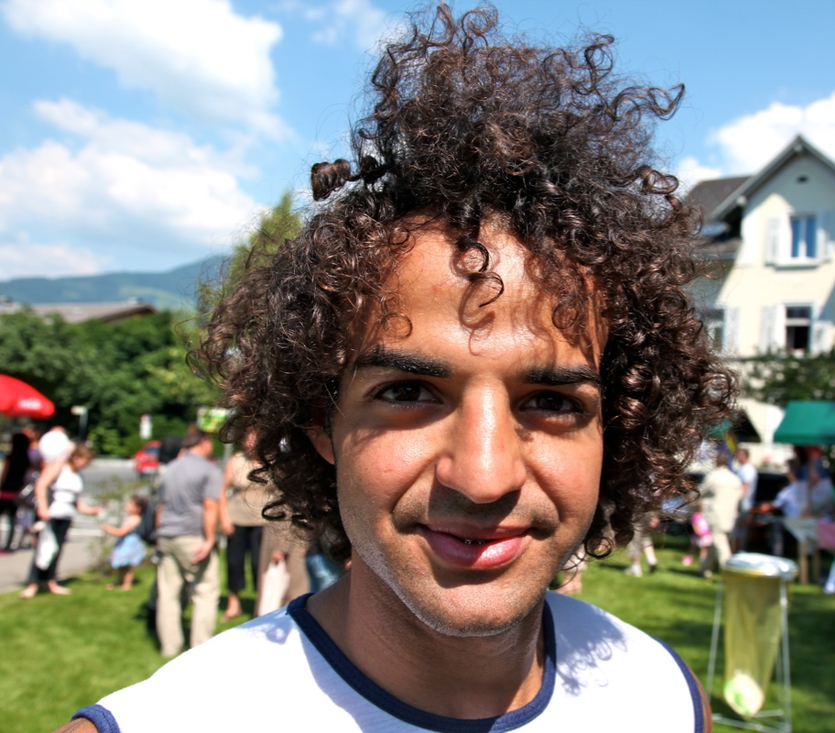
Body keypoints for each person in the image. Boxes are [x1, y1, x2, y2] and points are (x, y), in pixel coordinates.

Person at [61, 6, 733, 731]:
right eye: (409, 391)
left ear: (617, 427)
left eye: (551, 401)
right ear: (321, 420)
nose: (484, 477)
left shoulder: (663, 697)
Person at [153, 426, 221, 657]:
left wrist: (159, 535)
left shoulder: (169, 469)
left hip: (167, 535)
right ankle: (200, 650)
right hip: (193, 537)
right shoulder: (209, 470)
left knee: (168, 594)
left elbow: (160, 507)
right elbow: (210, 507)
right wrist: (210, 540)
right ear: (203, 441)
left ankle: (169, 647)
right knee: (205, 592)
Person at [21, 443, 101, 599]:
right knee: (43, 549)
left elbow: (75, 501)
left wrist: (91, 510)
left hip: (66, 515)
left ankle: (50, 581)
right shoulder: (59, 467)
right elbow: (41, 484)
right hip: (50, 514)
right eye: (85, 460)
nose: (85, 464)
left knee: (57, 549)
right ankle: (33, 584)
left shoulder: (77, 475)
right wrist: (43, 508)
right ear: (76, 457)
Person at [219, 436, 272, 620]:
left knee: (259, 563)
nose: (250, 442)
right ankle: (233, 602)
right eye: (247, 438)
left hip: (263, 520)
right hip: (237, 518)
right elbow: (222, 490)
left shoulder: (271, 460)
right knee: (234, 561)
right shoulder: (236, 460)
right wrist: (224, 518)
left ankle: (261, 603)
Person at [699, 451, 744, 577]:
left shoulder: (713, 477)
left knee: (721, 546)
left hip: (716, 516)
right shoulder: (735, 479)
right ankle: (704, 569)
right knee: (716, 544)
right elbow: (740, 498)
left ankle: (729, 573)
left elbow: (700, 492)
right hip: (730, 517)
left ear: (716, 462)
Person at [101, 494, 148, 591]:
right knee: (121, 565)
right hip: (124, 545)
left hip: (129, 546)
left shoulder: (135, 519)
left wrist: (108, 529)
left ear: (138, 508)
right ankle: (120, 581)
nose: (127, 505)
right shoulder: (130, 517)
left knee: (127, 567)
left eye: (130, 504)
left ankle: (127, 585)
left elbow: (122, 532)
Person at [0, 431, 32, 552]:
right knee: (12, 519)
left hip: (5, 490)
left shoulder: (10, 457)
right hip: (17, 491)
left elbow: (4, 473)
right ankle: (8, 545)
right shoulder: (26, 459)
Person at [731, 448, 757, 551]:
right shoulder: (742, 468)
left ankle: (740, 550)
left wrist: (737, 500)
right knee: (738, 529)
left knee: (741, 529)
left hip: (744, 504)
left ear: (745, 456)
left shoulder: (748, 470)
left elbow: (745, 487)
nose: (737, 457)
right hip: (742, 503)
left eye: (740, 455)